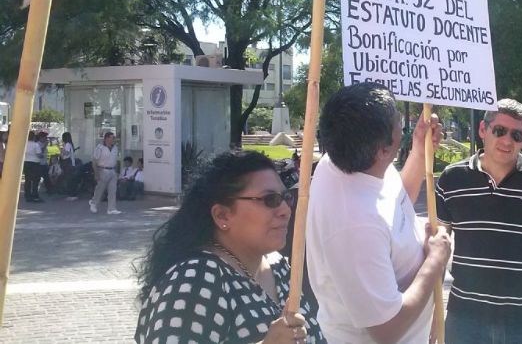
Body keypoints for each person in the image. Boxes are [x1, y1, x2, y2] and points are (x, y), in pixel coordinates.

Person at [306, 82, 452, 344]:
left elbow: (393, 203)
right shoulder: (355, 225)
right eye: (399, 122)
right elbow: (387, 329)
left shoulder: (341, 161)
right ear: (383, 150)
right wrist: (435, 260)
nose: (402, 124)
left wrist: (419, 151)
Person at [135, 150, 324, 343]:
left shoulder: (277, 265)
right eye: (270, 200)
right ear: (222, 216)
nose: (285, 210)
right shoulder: (196, 279)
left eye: (286, 198)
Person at [435, 99, 522, 343]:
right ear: (482, 130)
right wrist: (433, 314)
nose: (507, 141)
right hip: (465, 319)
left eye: (517, 135)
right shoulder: (451, 179)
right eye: (499, 131)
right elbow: (437, 249)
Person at [90, 132, 120, 214]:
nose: (113, 139)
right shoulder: (100, 148)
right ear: (107, 138)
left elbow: (116, 160)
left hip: (112, 170)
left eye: (113, 138)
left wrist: (116, 171)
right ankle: (94, 203)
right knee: (100, 189)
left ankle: (111, 208)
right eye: (111, 138)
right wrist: (96, 173)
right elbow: (94, 161)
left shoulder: (115, 148)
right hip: (103, 170)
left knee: (112, 190)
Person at [23, 131, 44, 203]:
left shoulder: (24, 144)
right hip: (35, 164)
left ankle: (27, 195)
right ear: (34, 137)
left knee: (27, 180)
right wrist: (42, 155)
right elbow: (39, 155)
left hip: (26, 163)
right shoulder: (36, 145)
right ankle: (35, 195)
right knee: (35, 180)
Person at [60, 132, 79, 200]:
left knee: (69, 179)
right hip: (70, 163)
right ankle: (72, 194)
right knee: (70, 179)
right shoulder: (69, 144)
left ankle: (72, 195)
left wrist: (61, 150)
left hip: (68, 163)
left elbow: (66, 153)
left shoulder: (67, 144)